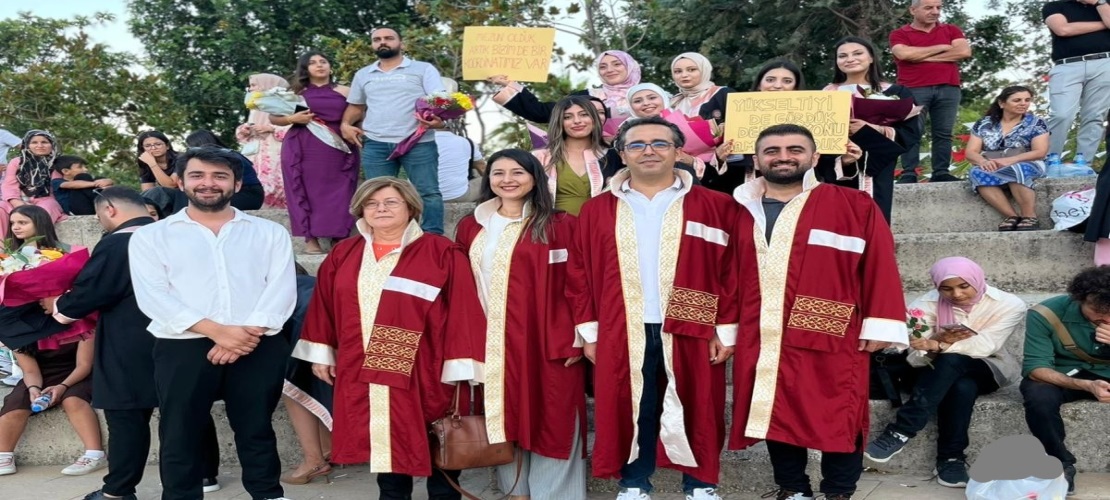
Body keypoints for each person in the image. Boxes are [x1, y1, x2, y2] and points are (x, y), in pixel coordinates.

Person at [725, 124, 907, 500]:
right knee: (773, 408)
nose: (783, 157)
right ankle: (793, 489)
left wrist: (881, 323)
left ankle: (838, 491)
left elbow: (879, 264)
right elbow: (725, 274)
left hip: (833, 329)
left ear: (814, 156)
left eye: (795, 149)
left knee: (839, 410)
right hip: (761, 329)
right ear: (757, 159)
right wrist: (726, 329)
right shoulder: (738, 209)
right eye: (772, 151)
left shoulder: (852, 204)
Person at [567, 116, 736, 500]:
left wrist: (725, 329)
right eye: (637, 144)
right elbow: (578, 274)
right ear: (622, 153)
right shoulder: (597, 210)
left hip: (692, 322)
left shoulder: (716, 205)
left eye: (660, 143)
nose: (649, 151)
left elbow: (733, 271)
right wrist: (589, 331)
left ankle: (701, 484)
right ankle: (634, 483)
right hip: (621, 323)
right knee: (631, 405)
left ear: (679, 151)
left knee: (699, 404)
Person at [291, 177, 484, 499]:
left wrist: (461, 363)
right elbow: (323, 304)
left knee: (435, 431)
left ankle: (444, 495)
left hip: (426, 362)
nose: (380, 209)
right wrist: (322, 352)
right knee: (382, 433)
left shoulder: (440, 252)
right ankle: (392, 495)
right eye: (372, 203)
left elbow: (464, 309)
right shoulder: (345, 253)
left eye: (391, 202)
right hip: (361, 360)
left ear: (411, 207)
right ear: (361, 210)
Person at [129, 146, 296, 500]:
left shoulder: (269, 233)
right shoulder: (151, 236)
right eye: (197, 175)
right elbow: (153, 296)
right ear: (180, 181)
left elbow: (281, 289)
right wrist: (219, 333)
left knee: (256, 428)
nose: (208, 183)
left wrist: (243, 337)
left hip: (256, 343)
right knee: (180, 432)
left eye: (220, 176)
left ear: (237, 184)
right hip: (182, 345)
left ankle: (268, 494)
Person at [45, 187, 222, 499]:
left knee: (126, 414)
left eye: (99, 215)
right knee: (186, 409)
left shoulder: (119, 243)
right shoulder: (179, 237)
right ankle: (205, 474)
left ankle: (119, 489)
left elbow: (92, 292)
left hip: (130, 342)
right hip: (186, 337)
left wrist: (57, 306)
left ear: (110, 209)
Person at [455, 149, 587, 499]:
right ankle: (516, 492)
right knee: (504, 414)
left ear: (534, 178)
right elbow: (460, 286)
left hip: (547, 338)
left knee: (554, 415)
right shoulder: (472, 226)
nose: (508, 180)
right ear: (488, 180)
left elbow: (580, 283)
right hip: (491, 340)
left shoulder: (560, 225)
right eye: (498, 173)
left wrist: (577, 336)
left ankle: (555, 495)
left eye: (517, 172)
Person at [864, 257, 1025, 488]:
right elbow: (915, 356)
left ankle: (901, 430)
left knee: (952, 360)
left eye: (964, 286)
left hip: (988, 367)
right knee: (961, 386)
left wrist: (938, 344)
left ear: (977, 280)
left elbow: (987, 345)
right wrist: (931, 344)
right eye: (946, 289)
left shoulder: (1009, 304)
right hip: (932, 370)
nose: (956, 294)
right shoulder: (924, 305)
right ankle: (951, 459)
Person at [0, 205, 102, 478]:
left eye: (23, 222)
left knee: (73, 399)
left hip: (77, 367)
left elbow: (84, 364)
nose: (16, 227)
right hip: (41, 368)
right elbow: (30, 370)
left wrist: (62, 386)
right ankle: (3, 455)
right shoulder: (19, 325)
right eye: (13, 222)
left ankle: (94, 454)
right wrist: (35, 388)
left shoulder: (63, 256)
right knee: (16, 402)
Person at [340, 27, 447, 235]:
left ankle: (433, 239)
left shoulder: (423, 69)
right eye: (377, 39)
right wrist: (345, 124)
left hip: (418, 141)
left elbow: (439, 102)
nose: (383, 42)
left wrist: (439, 121)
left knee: (428, 193)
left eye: (389, 38)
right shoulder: (363, 74)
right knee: (376, 194)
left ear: (401, 44)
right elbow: (356, 107)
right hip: (375, 144)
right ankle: (383, 237)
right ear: (372, 45)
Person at [1020, 266, 1110, 496]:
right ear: (1079, 299)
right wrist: (1087, 385)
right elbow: (1036, 368)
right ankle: (1059, 465)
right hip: (1067, 372)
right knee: (1038, 395)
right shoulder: (1046, 313)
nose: (1106, 319)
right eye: (1097, 311)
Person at [823, 36, 922, 223]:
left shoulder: (895, 92)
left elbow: (910, 133)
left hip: (878, 166)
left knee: (876, 217)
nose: (850, 59)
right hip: (838, 164)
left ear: (871, 58)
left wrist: (872, 128)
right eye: (842, 56)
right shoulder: (827, 93)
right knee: (837, 219)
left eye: (857, 53)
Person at [272, 51, 359, 254]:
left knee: (341, 191)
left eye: (323, 61)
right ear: (305, 68)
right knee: (303, 190)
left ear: (330, 66)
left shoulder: (347, 91)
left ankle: (340, 237)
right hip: (302, 145)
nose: (319, 65)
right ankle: (310, 239)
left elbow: (360, 114)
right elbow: (274, 117)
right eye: (313, 63)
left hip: (339, 145)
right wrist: (292, 119)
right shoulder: (295, 92)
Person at [890, 0, 971, 184]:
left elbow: (964, 52)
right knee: (911, 130)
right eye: (928, 8)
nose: (935, 12)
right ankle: (909, 173)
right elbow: (904, 54)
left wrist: (919, 56)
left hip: (949, 88)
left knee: (944, 133)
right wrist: (942, 47)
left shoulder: (951, 30)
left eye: (938, 7)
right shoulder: (900, 33)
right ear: (913, 10)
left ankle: (941, 172)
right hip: (912, 88)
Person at [490, 50, 643, 139]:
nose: (609, 70)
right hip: (598, 162)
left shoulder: (648, 95)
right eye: (603, 66)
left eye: (617, 64)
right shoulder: (587, 97)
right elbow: (540, 112)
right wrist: (510, 84)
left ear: (629, 66)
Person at [963, 86, 1049, 232]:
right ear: (1002, 103)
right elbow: (971, 152)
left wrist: (1010, 160)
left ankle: (1029, 216)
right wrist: (983, 161)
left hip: (1028, 162)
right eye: (1017, 100)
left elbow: (1040, 152)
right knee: (977, 172)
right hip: (995, 163)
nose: (1023, 103)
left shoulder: (1036, 123)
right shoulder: (984, 124)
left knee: (1016, 169)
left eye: (1027, 100)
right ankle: (1011, 216)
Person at [277, 263, 332, 485]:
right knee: (316, 382)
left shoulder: (283, 291)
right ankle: (328, 447)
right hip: (335, 319)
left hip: (308, 324)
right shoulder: (310, 283)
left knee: (292, 387)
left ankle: (314, 460)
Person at [1042, 0, 1110, 164]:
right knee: (1061, 114)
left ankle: (1083, 163)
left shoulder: (1105, 5)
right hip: (1067, 65)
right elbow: (1063, 29)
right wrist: (1104, 24)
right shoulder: (1055, 6)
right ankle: (1049, 160)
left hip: (1104, 62)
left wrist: (1099, 3)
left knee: (1094, 116)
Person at [531, 96, 612, 216]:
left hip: (601, 224)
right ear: (558, 122)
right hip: (553, 225)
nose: (577, 121)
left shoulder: (614, 156)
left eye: (584, 115)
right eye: (567, 117)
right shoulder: (540, 158)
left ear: (594, 118)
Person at [237, 73, 291, 208]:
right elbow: (248, 129)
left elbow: (302, 126)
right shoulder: (256, 105)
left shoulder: (290, 102)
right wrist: (245, 129)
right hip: (255, 152)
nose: (250, 89)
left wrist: (271, 128)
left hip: (276, 151)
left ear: (267, 84)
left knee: (277, 185)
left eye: (253, 85)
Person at [1, 130, 67, 239]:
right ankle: (2, 246)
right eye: (34, 142)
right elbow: (9, 185)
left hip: (45, 199)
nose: (39, 145)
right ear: (27, 145)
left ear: (51, 144)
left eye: (44, 142)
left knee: (43, 211)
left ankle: (37, 245)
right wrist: (17, 203)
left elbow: (58, 186)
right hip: (17, 200)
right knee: (1, 208)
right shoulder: (17, 162)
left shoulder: (58, 163)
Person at [184, 129, 266, 211]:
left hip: (247, 194)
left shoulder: (226, 157)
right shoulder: (226, 154)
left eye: (190, 148)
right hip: (245, 192)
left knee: (189, 198)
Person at [668, 52, 731, 120]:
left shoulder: (724, 94)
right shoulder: (674, 102)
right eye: (678, 71)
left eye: (692, 70)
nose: (684, 75)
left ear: (704, 70)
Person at [51, 155, 115, 215]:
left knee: (99, 178)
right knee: (83, 177)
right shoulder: (57, 181)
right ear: (66, 171)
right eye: (80, 167)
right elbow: (71, 185)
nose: (85, 169)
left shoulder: (86, 182)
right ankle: (106, 205)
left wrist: (108, 181)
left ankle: (107, 205)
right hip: (76, 211)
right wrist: (96, 184)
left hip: (90, 206)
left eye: (85, 167)